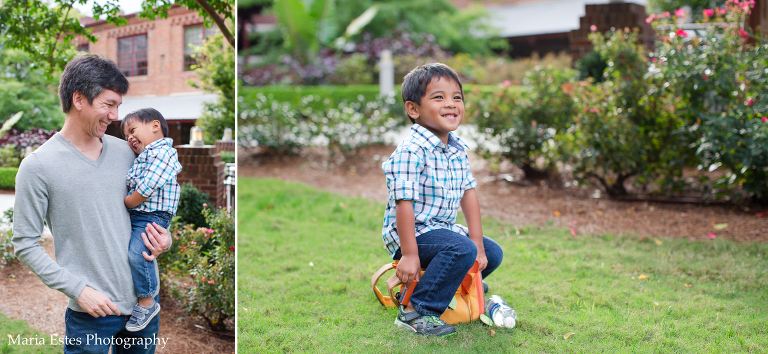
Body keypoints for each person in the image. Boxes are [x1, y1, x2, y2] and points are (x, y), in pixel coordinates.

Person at [12, 54, 171, 353]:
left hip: (144, 308)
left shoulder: (128, 152)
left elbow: (153, 207)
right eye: (109, 105)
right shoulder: (37, 167)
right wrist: (78, 290)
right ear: (79, 99)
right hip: (91, 314)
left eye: (118, 107)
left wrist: (165, 239)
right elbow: (25, 243)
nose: (115, 116)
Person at [381, 63, 504, 337]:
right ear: (414, 109)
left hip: (441, 230)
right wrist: (410, 255)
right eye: (439, 97)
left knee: (491, 252)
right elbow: (404, 204)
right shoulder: (411, 151)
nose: (451, 104)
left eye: (456, 97)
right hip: (411, 234)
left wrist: (477, 242)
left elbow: (468, 193)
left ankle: (453, 286)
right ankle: (416, 309)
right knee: (461, 250)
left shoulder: (456, 149)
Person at [121, 108, 182, 332]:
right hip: (144, 213)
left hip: (152, 215)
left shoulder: (163, 152)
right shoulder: (146, 154)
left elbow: (149, 185)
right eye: (126, 135)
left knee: (140, 253)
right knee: (137, 251)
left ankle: (147, 303)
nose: (129, 138)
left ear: (155, 126)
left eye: (133, 130)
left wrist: (129, 201)